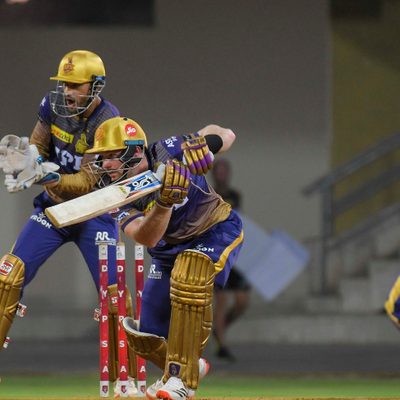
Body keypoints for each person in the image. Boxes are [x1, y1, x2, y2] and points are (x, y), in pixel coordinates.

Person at [0, 50, 139, 397]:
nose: (67, 91)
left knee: (115, 299)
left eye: (75, 85)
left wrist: (47, 176)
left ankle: (126, 382)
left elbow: (88, 182)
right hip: (53, 211)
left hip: (94, 213)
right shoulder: (51, 104)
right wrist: (29, 161)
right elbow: (37, 144)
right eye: (64, 83)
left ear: (96, 86)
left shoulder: (107, 121)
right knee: (7, 277)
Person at [83, 116, 244, 400]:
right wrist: (165, 202)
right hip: (166, 251)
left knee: (189, 275)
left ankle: (182, 381)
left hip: (214, 231)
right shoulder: (115, 194)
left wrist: (203, 143)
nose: (105, 165)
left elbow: (227, 134)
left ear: (135, 151)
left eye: (111, 156)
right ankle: (186, 366)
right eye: (102, 158)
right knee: (145, 338)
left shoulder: (167, 150)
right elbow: (146, 237)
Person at [211, 158, 251, 362]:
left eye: (225, 171)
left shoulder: (235, 195)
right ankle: (222, 345)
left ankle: (219, 329)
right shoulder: (208, 194)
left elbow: (238, 221)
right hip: (218, 254)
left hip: (235, 253)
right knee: (222, 299)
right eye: (218, 171)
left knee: (243, 301)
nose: (222, 174)